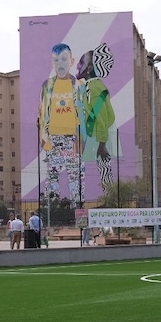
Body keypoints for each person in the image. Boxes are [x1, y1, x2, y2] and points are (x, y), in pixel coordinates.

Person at [38, 42, 83, 202]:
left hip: (73, 139)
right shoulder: (48, 85)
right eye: (56, 60)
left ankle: (76, 208)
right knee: (52, 177)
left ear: (71, 61)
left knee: (75, 178)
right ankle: (54, 209)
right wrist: (44, 140)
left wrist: (81, 138)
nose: (60, 64)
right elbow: (42, 112)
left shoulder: (79, 85)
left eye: (64, 59)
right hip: (54, 139)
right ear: (52, 63)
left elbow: (84, 113)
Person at [76, 42, 119, 190]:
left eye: (82, 62)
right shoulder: (95, 85)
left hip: (99, 138)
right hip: (98, 135)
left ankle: (110, 199)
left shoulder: (93, 88)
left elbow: (99, 117)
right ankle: (109, 196)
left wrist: (102, 144)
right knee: (104, 171)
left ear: (89, 68)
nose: (78, 65)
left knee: (104, 171)